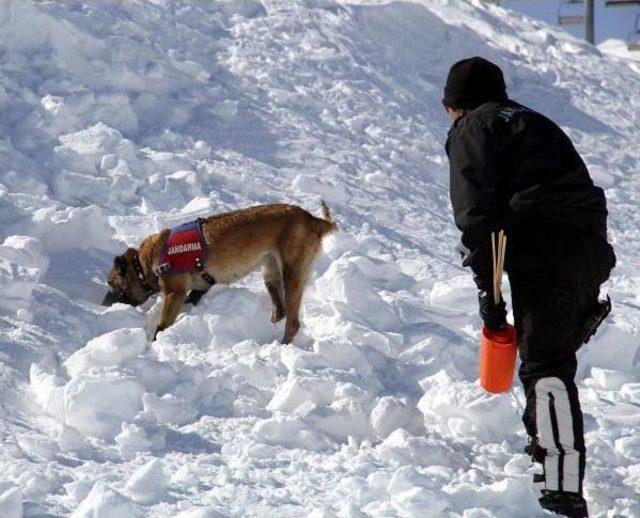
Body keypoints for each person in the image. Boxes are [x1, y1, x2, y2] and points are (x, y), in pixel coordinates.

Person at [442, 56, 616, 518]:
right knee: (549, 353)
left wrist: (488, 291)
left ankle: (561, 488)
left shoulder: (472, 128)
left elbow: (475, 215)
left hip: (545, 246)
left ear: (450, 107)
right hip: (589, 245)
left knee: (545, 364)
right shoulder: (535, 122)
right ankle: (547, 451)